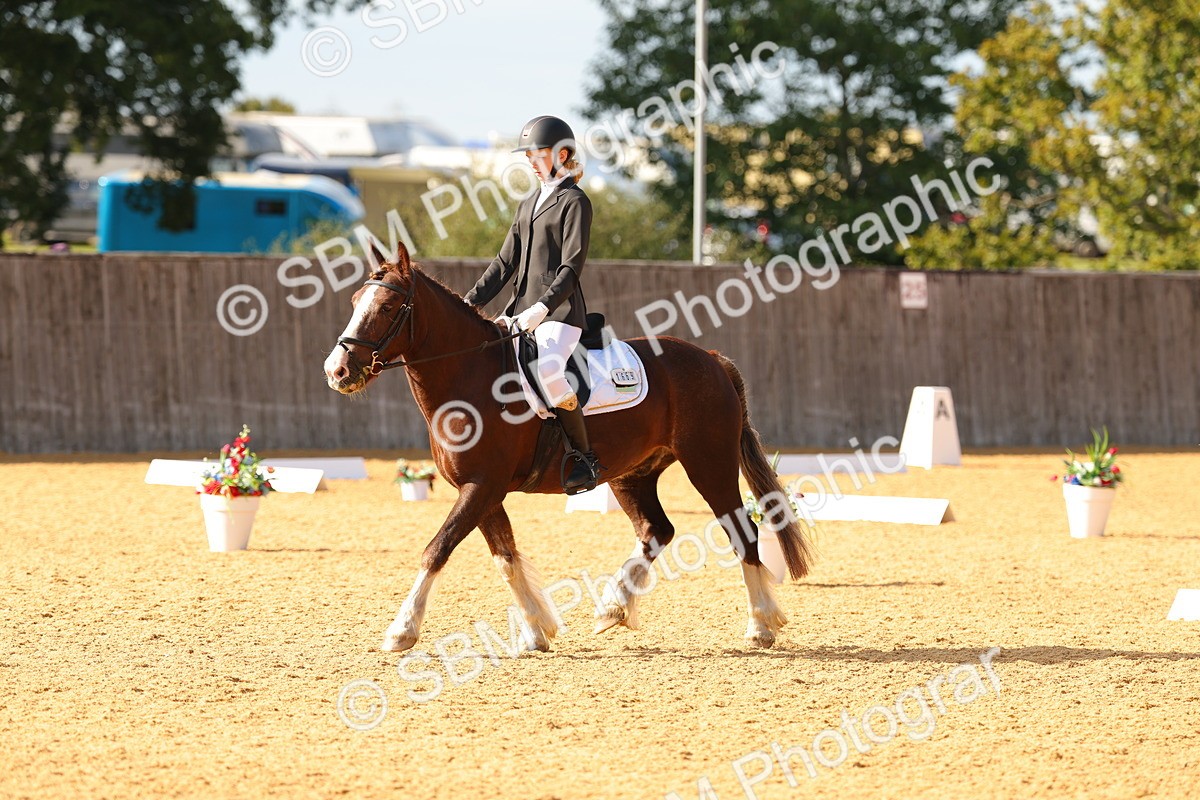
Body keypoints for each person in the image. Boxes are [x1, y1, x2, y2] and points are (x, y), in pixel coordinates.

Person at [463, 115, 601, 494]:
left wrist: (541, 308)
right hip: (517, 311)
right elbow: (503, 264)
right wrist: (468, 303)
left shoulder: (574, 201)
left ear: (562, 154)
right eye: (529, 155)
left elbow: (571, 267)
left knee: (552, 371)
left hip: (557, 314)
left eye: (536, 154)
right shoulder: (527, 204)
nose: (530, 161)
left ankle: (584, 457)